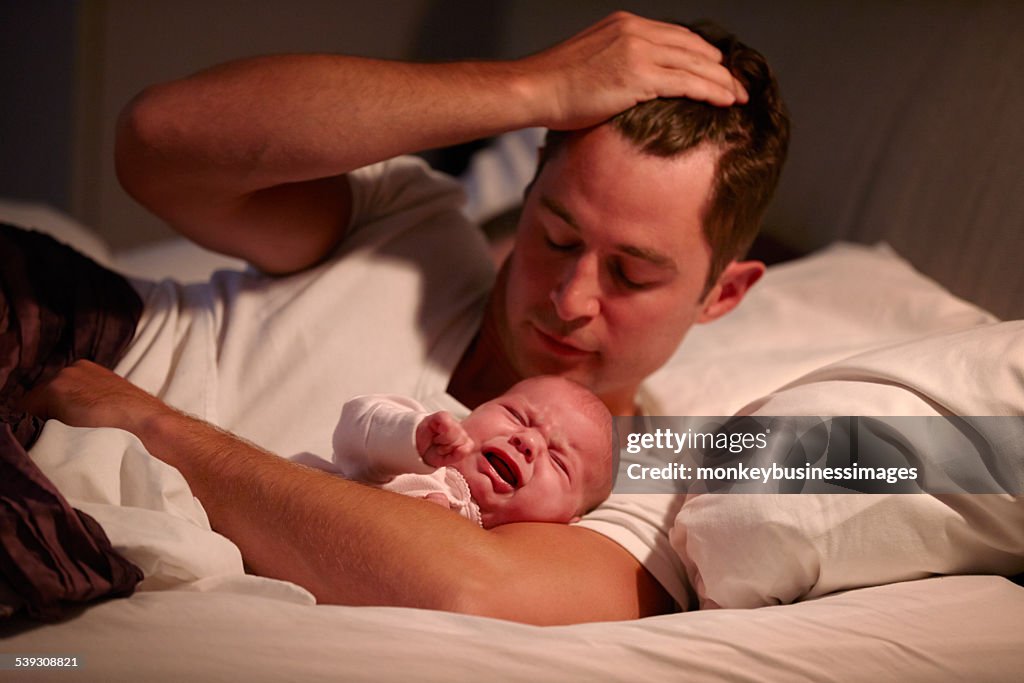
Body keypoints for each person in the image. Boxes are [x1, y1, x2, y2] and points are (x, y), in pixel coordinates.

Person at [25, 12, 789, 624]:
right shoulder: (409, 227)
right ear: (525, 198)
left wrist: (149, 424)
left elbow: (467, 585)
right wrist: (534, 87)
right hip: (57, 321)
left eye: (631, 272)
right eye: (556, 236)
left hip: (79, 439)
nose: (569, 298)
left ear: (723, 294)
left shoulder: (646, 485)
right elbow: (158, 138)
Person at [333, 376, 614, 529]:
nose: (528, 441)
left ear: (568, 520)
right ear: (472, 413)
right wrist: (411, 436)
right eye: (516, 415)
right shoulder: (419, 456)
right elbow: (353, 427)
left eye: (557, 461)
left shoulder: (512, 555)